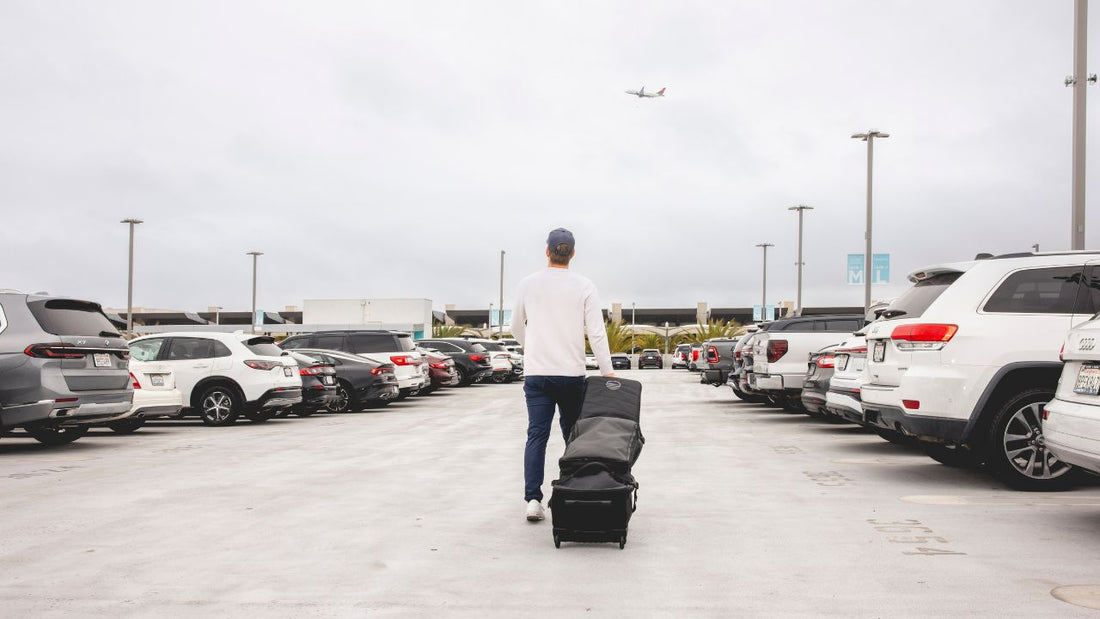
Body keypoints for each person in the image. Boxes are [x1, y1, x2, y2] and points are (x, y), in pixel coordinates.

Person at [511, 228, 616, 522]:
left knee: (537, 435)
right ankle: (574, 489)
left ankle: (533, 500)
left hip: (537, 374)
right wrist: (607, 371)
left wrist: (531, 347)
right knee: (574, 434)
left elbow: (515, 328)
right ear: (572, 253)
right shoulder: (584, 285)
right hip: (571, 375)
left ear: (547, 252)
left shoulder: (527, 284)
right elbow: (596, 332)